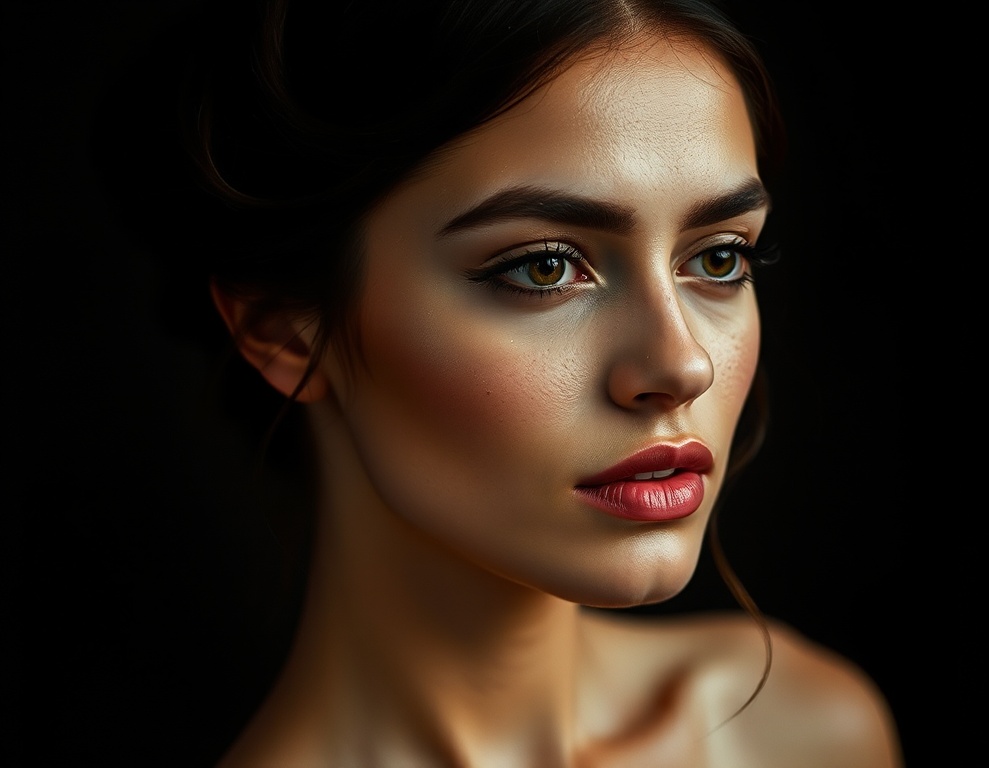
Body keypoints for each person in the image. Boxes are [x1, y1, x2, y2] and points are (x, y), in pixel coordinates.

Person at [100, 0, 905, 764]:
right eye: (546, 267)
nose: (681, 364)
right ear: (279, 329)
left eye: (718, 257)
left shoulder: (799, 735)